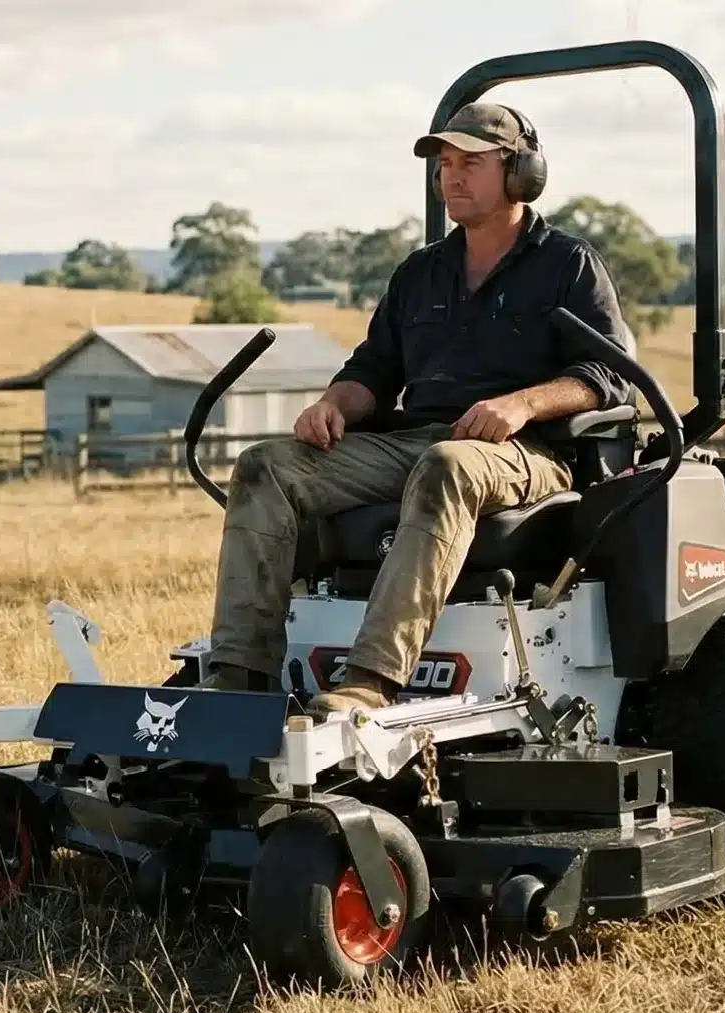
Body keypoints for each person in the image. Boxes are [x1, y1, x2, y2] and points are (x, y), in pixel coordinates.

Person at [200, 102, 636, 715]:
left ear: (520, 174)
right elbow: (373, 371)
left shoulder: (567, 264)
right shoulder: (420, 273)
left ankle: (370, 681)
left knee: (449, 464)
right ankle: (237, 680)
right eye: (445, 165)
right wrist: (333, 404)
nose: (452, 177)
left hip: (527, 453)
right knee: (264, 466)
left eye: (471, 164)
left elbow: (611, 375)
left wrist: (523, 404)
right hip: (418, 442)